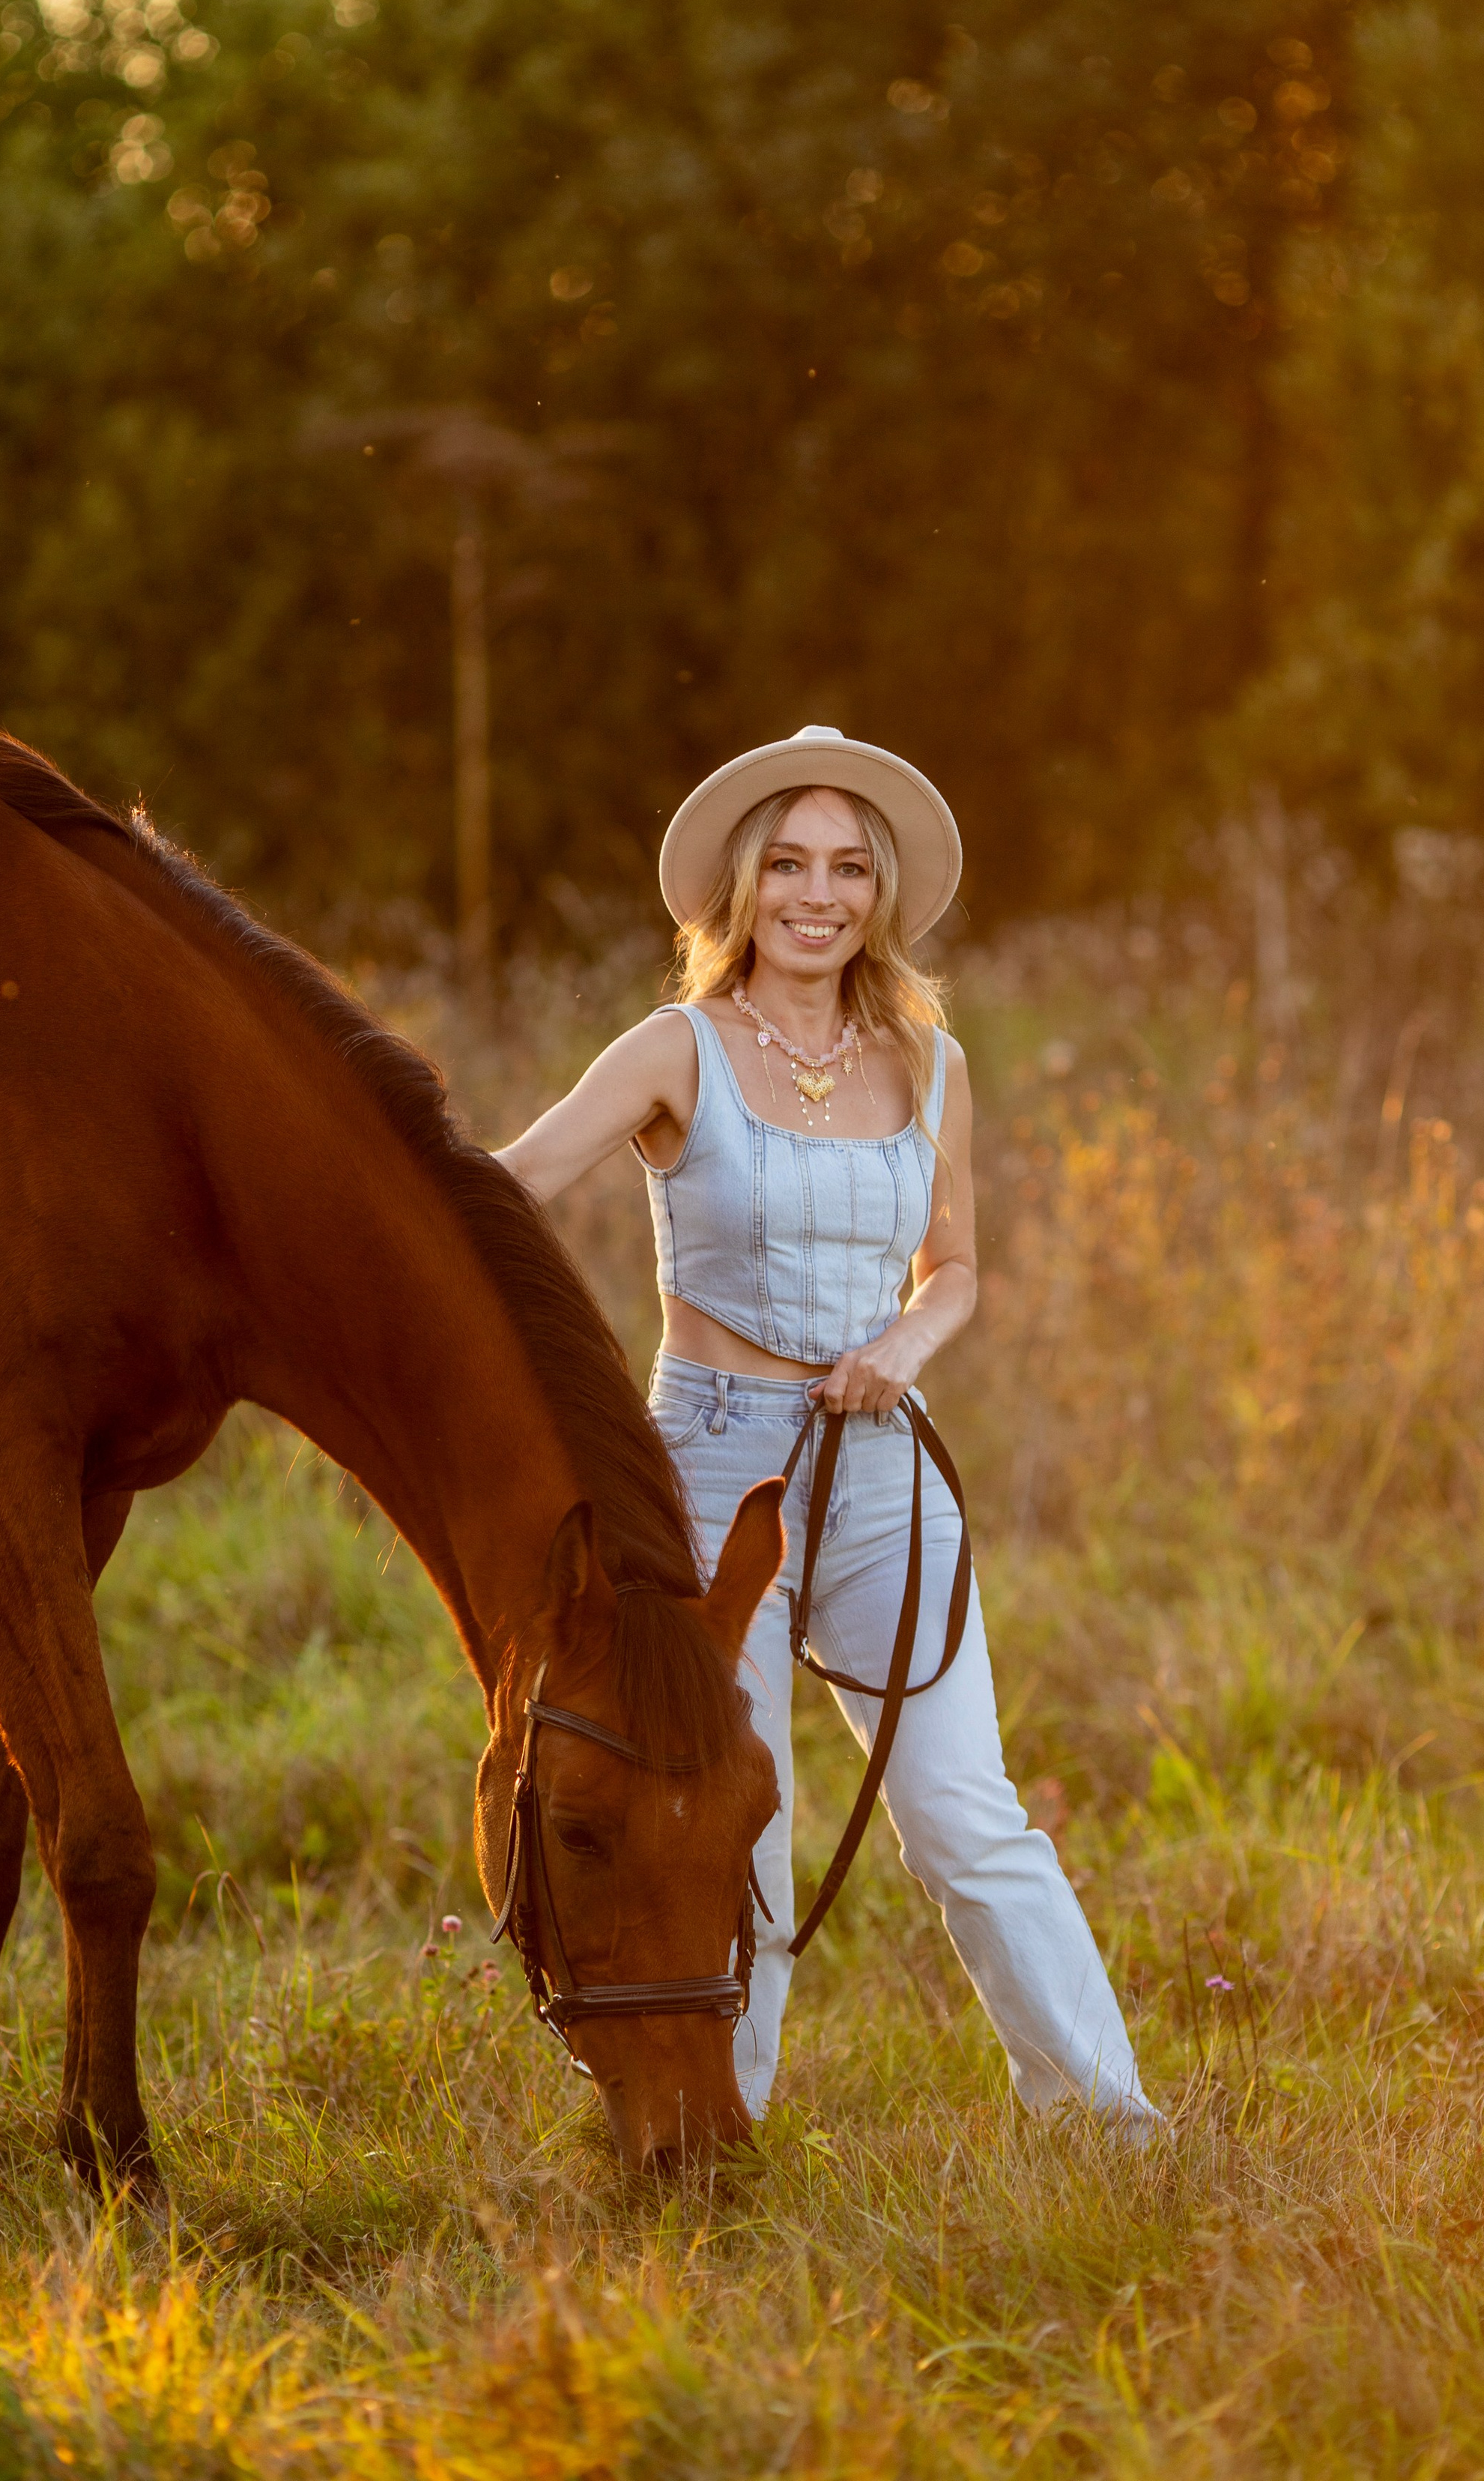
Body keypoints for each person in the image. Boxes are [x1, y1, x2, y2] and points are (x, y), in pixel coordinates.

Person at [497, 724, 1159, 2136]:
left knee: (967, 1813)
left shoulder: (930, 1062)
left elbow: (957, 1267)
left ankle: (1110, 2126)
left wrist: (898, 1352)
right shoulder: (676, 1048)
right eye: (788, 863)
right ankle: (710, 2129)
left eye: (848, 867)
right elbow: (510, 1187)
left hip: (881, 1465)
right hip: (710, 1467)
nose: (818, 893)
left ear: (882, 892)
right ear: (743, 886)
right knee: (750, 1825)